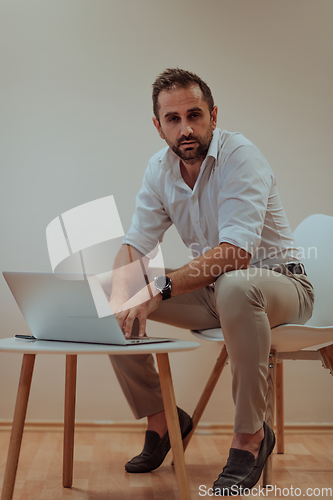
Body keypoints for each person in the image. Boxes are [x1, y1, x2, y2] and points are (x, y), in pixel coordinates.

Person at [108, 68, 314, 495]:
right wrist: (123, 286)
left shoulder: (241, 156)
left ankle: (250, 437)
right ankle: (164, 422)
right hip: (217, 291)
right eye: (173, 119)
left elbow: (236, 254)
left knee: (237, 284)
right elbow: (135, 245)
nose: (185, 129)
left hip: (280, 286)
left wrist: (161, 287)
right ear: (158, 125)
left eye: (195, 115)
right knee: (118, 287)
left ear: (214, 116)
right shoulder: (159, 170)